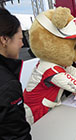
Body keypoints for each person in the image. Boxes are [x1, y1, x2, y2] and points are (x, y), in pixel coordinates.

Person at [0, 8, 31, 139]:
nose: (22, 43)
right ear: (4, 39)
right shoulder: (7, 84)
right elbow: (16, 134)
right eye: (19, 38)